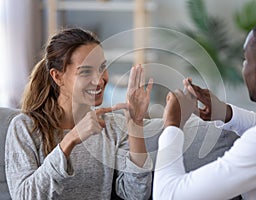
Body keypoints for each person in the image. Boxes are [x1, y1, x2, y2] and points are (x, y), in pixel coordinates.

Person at [153, 17, 256, 200]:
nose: (243, 68)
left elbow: (168, 195)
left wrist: (172, 125)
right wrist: (225, 113)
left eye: (246, 60)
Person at [5, 28, 154, 199]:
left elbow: (136, 195)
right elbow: (24, 196)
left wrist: (136, 124)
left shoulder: (112, 127)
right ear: (57, 77)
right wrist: (71, 139)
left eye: (102, 68)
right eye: (85, 71)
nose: (99, 80)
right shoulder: (25, 127)